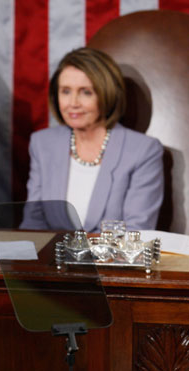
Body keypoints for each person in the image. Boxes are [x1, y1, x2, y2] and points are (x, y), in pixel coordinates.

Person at [26, 47, 163, 232]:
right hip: (51, 259)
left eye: (86, 92)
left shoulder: (143, 150)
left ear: (107, 93)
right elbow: (33, 223)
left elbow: (136, 231)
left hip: (112, 260)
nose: (73, 103)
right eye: (65, 91)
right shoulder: (42, 144)